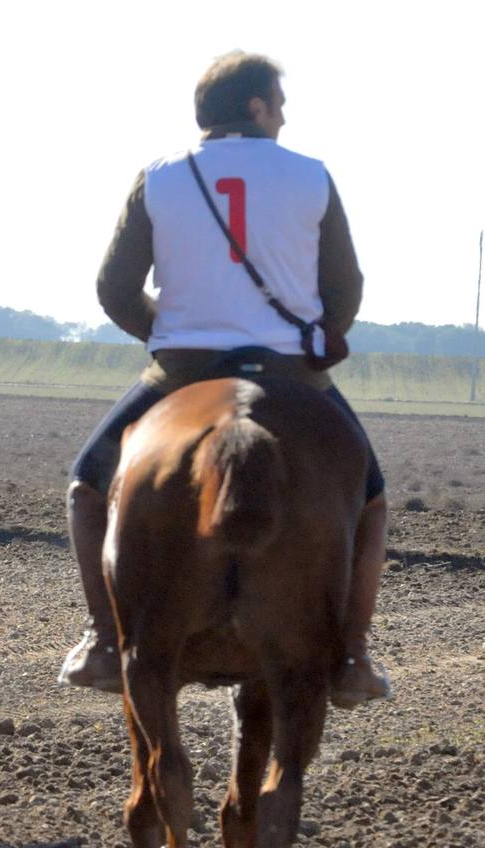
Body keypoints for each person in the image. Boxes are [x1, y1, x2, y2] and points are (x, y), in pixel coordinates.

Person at [60, 52, 390, 708]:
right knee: (373, 497)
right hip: (290, 372)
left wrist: (167, 332)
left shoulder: (159, 175)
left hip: (183, 367)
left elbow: (113, 287)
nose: (286, 117)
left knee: (85, 486)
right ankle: (352, 655)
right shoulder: (312, 175)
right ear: (257, 107)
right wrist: (318, 341)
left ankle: (103, 641)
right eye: (280, 105)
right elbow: (344, 287)